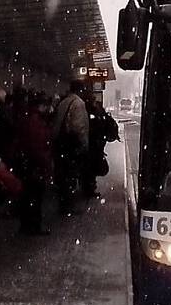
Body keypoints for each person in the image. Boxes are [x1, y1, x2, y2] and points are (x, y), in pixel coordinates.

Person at [17, 93, 54, 235]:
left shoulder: (28, 118)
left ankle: (26, 225)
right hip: (34, 164)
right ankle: (33, 227)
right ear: (41, 106)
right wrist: (46, 163)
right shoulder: (36, 121)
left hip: (27, 163)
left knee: (28, 196)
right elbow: (38, 146)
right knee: (35, 196)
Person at [53, 81, 89, 214]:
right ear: (80, 90)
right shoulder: (78, 103)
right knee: (71, 175)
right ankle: (68, 206)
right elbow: (79, 127)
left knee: (63, 175)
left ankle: (63, 203)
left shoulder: (63, 102)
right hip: (71, 144)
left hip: (60, 144)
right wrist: (84, 144)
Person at [81, 89, 120, 198]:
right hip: (96, 144)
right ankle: (89, 188)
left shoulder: (85, 110)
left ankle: (88, 188)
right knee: (92, 168)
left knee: (88, 168)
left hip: (91, 143)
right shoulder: (97, 111)